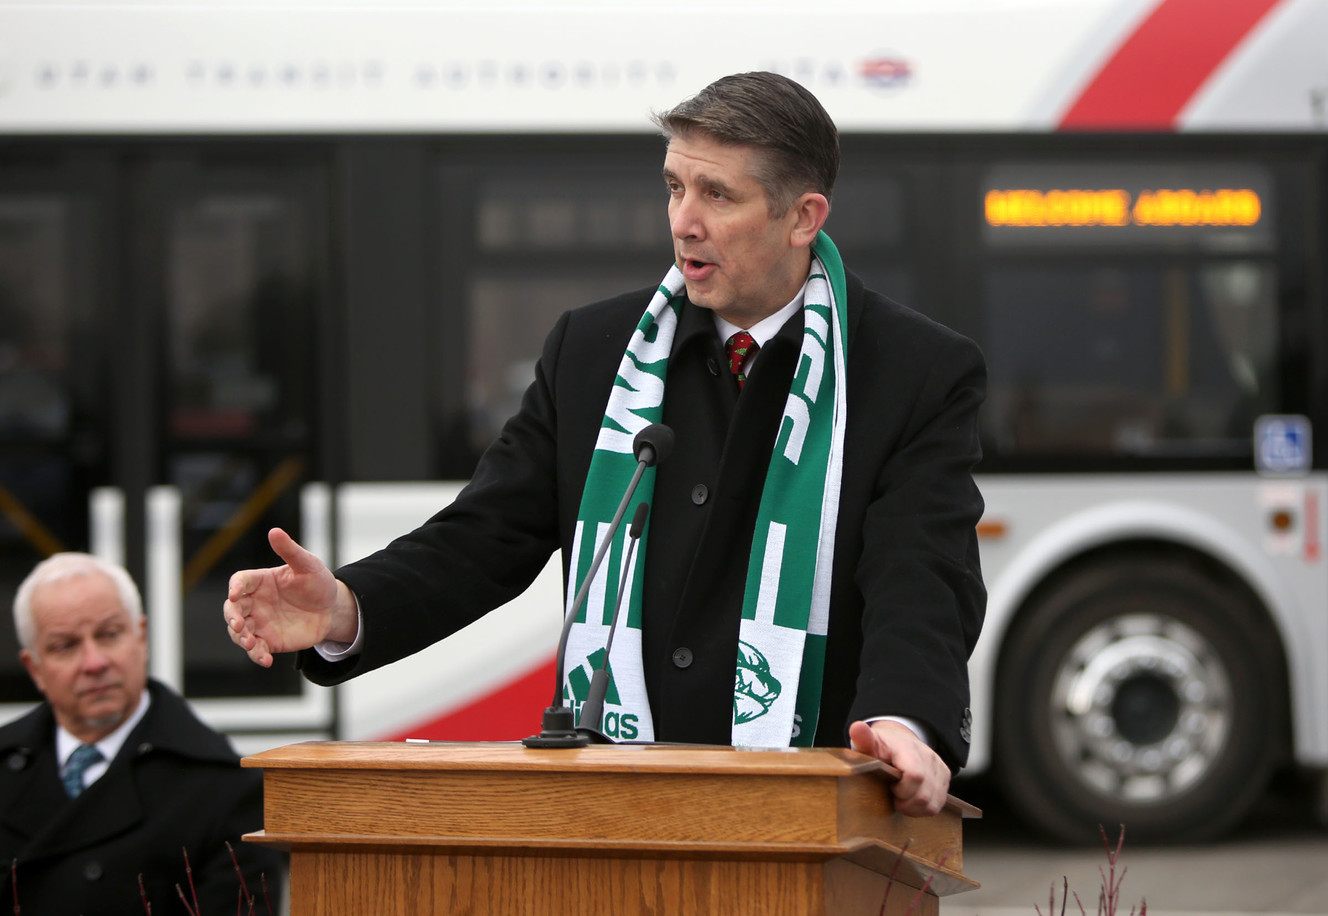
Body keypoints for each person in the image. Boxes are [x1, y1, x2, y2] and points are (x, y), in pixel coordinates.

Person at [224, 71, 986, 818]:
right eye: (673, 186)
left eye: (717, 195)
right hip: (616, 802)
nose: (684, 220)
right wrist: (347, 606)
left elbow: (921, 570)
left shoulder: (913, 370)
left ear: (803, 217)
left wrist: (903, 722)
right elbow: (485, 537)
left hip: (814, 805)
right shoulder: (593, 350)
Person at [1, 552, 284, 914]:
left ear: (142, 637)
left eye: (109, 634)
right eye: (65, 646)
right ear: (34, 668)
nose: (95, 663)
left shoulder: (223, 787)